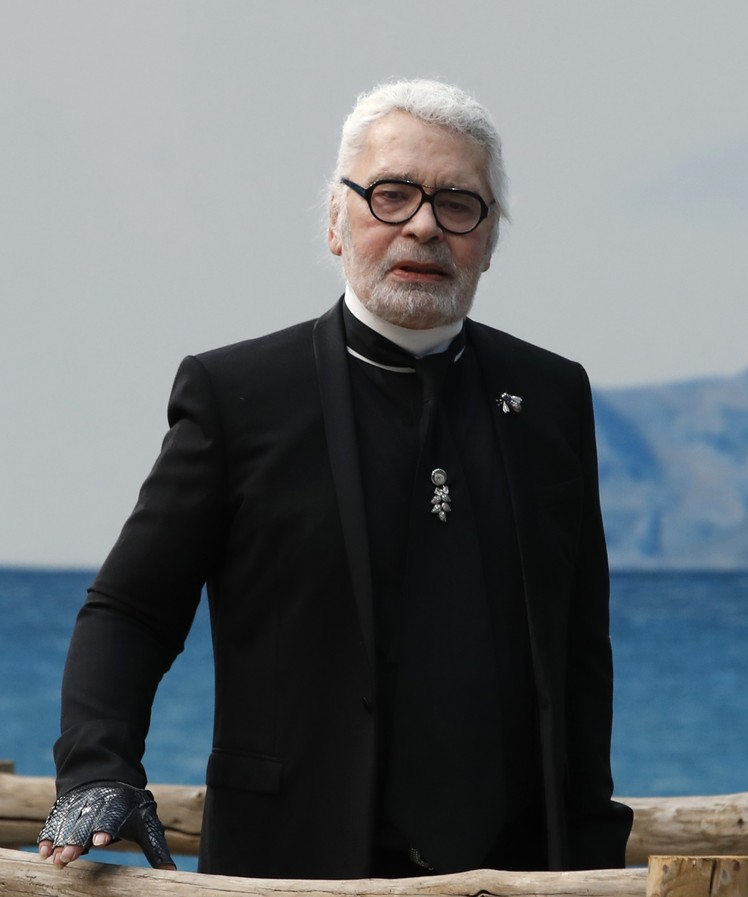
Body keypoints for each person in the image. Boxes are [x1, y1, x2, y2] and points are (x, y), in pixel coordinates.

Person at [37, 79, 632, 879]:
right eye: (392, 195)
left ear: (489, 240)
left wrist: (591, 846)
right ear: (334, 221)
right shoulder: (240, 395)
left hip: (523, 869)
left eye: (459, 203)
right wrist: (98, 769)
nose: (423, 223)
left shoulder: (554, 396)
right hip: (293, 864)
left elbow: (580, 651)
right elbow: (132, 609)